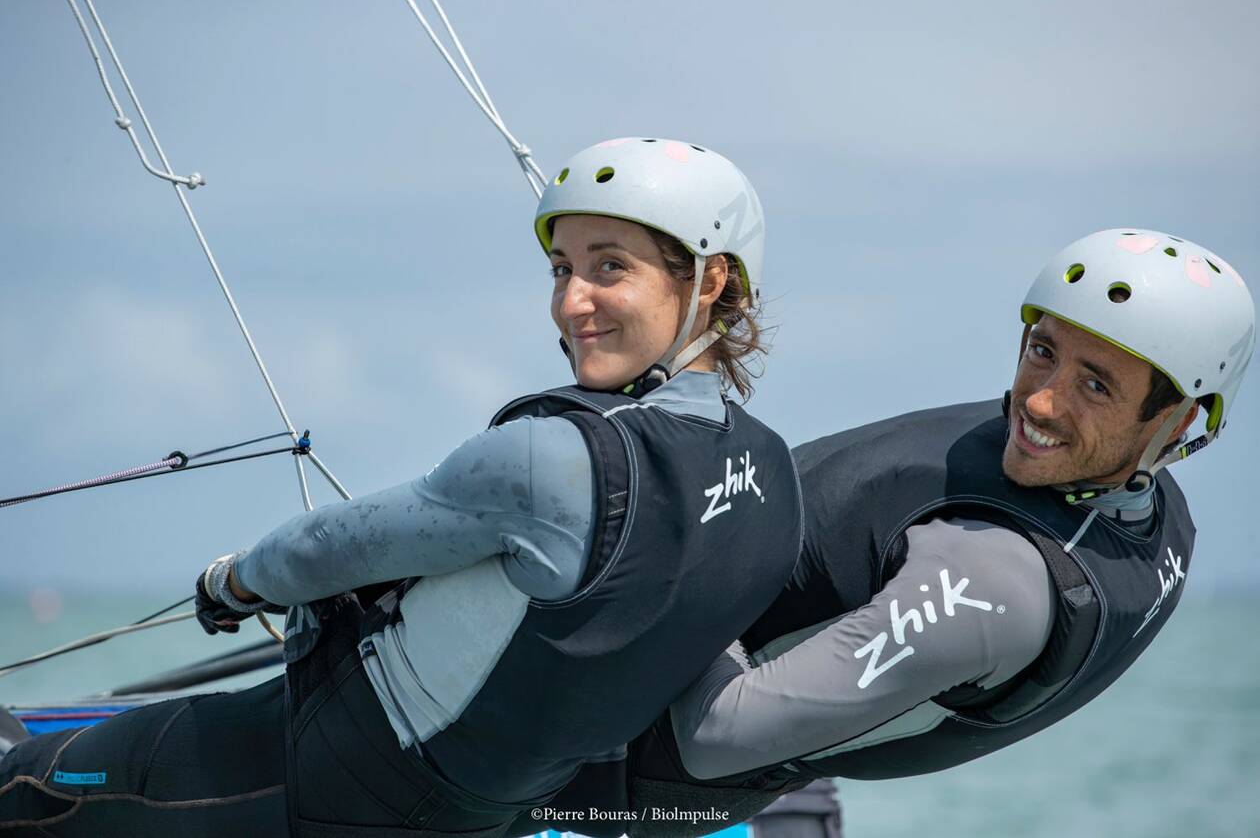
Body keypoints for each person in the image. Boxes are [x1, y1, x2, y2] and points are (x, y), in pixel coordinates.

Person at [0, 138, 804, 838]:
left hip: (331, 776)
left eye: (610, 268)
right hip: (490, 806)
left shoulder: (553, 460)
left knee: (27, 786)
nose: (570, 301)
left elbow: (318, 550)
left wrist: (231, 582)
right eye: (562, 268)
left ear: (709, 281)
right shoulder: (769, 480)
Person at [524, 228, 1255, 837]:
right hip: (772, 766)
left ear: (1178, 423)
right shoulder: (1142, 497)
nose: (1038, 399)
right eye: (1042, 348)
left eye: (1095, 385)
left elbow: (714, 739)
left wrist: (670, 521)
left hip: (613, 777)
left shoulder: (996, 581)